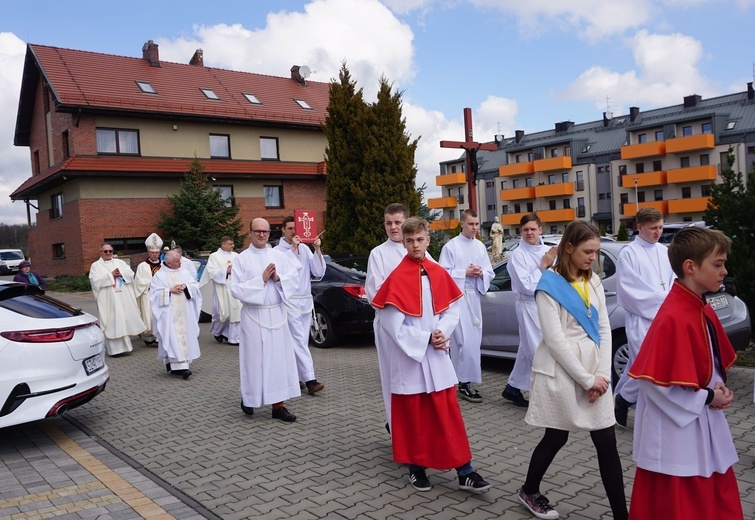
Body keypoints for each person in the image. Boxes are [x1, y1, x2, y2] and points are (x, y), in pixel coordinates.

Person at [627, 227, 742, 519]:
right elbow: (654, 384)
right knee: (680, 503)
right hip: (677, 432)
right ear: (690, 267)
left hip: (702, 424)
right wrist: (706, 397)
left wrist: (718, 387)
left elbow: (706, 360)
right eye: (718, 264)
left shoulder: (699, 306)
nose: (724, 271)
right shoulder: (672, 315)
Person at [372, 217, 491, 494]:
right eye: (409, 240)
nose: (415, 245)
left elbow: (452, 308)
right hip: (410, 357)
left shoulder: (438, 272)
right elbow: (391, 325)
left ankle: (465, 470)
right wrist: (426, 338)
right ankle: (416, 468)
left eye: (420, 239)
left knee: (447, 415)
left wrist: (442, 331)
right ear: (404, 241)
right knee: (414, 417)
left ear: (428, 240)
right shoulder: (397, 277)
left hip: (437, 355)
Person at [517, 220, 627, 520]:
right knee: (556, 437)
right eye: (588, 251)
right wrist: (586, 379)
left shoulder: (593, 281)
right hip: (562, 370)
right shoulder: (548, 286)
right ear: (568, 247)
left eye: (596, 252)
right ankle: (529, 489)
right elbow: (554, 340)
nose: (593, 258)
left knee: (607, 442)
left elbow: (603, 328)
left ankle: (622, 515)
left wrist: (602, 376)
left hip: (596, 371)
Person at [231, 218, 302, 422]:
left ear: (270, 233)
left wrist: (278, 279)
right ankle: (250, 397)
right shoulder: (241, 259)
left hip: (276, 314)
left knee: (278, 360)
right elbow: (236, 289)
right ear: (250, 233)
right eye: (257, 231)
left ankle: (278, 406)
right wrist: (260, 279)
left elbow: (294, 279)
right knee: (254, 360)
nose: (261, 235)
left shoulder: (278, 256)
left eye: (265, 231)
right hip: (254, 316)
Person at [613, 207, 675, 428]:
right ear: (639, 227)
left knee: (642, 367)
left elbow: (674, 280)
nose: (658, 232)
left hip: (665, 318)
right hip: (642, 318)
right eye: (653, 228)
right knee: (648, 368)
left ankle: (622, 400)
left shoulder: (665, 251)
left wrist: (672, 301)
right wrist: (663, 300)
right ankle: (625, 401)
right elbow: (628, 290)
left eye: (660, 227)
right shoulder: (629, 253)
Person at [439, 209, 494, 402]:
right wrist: (465, 273)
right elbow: (442, 274)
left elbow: (490, 271)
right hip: (457, 298)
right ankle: (463, 382)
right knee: (462, 342)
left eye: (477, 224)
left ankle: (463, 380)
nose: (475, 228)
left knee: (473, 342)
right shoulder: (451, 247)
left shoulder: (479, 246)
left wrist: (481, 274)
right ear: (461, 224)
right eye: (471, 224)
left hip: (473, 298)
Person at [502, 213, 557, 407]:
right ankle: (543, 396)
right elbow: (526, 286)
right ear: (520, 231)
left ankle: (513, 388)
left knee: (527, 349)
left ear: (540, 229)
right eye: (525, 229)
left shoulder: (550, 251)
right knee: (538, 349)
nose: (529, 233)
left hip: (548, 304)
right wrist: (542, 267)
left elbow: (558, 278)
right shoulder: (517, 255)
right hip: (529, 305)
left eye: (533, 229)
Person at [366, 203, 411, 428]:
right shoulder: (378, 253)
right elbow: (374, 292)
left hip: (415, 327)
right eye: (389, 223)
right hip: (389, 324)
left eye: (398, 223)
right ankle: (395, 425)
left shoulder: (419, 250)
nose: (393, 228)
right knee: (393, 377)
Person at [275, 216, 326, 395]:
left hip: (305, 300)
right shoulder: (278, 251)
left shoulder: (304, 248)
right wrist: (293, 249)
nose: (293, 232)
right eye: (289, 228)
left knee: (301, 341)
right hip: (289, 300)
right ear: (282, 230)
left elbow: (318, 271)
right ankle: (310, 379)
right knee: (298, 340)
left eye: (295, 228)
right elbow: (283, 272)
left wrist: (317, 248)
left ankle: (295, 377)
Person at [150, 250, 202, 379]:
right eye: (176, 261)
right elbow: (154, 295)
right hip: (169, 314)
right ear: (168, 263)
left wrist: (186, 287)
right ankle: (180, 367)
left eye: (179, 260)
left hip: (185, 312)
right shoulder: (160, 276)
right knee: (172, 337)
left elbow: (195, 286)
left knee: (184, 337)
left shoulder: (184, 272)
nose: (180, 263)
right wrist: (170, 290)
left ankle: (179, 364)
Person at [89, 243, 146, 357]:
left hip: (121, 297)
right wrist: (111, 275)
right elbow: (94, 281)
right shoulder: (96, 266)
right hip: (108, 300)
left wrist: (121, 274)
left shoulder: (120, 263)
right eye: (105, 251)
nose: (108, 253)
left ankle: (126, 348)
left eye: (110, 251)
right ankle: (114, 351)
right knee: (112, 322)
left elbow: (130, 274)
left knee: (122, 320)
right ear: (101, 252)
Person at [199, 236, 242, 345]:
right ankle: (217, 332)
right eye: (230, 244)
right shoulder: (214, 256)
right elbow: (211, 271)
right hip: (221, 287)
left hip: (234, 286)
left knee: (236, 312)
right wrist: (226, 271)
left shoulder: (236, 256)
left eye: (233, 244)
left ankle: (233, 338)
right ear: (223, 245)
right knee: (222, 313)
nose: (233, 246)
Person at [134, 233, 163, 347]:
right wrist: (151, 284)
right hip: (148, 294)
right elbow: (138, 281)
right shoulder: (142, 266)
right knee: (149, 315)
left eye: (156, 252)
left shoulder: (164, 265)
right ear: (148, 252)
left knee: (161, 315)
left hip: (162, 294)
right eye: (152, 252)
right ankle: (149, 337)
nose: (155, 254)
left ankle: (159, 337)